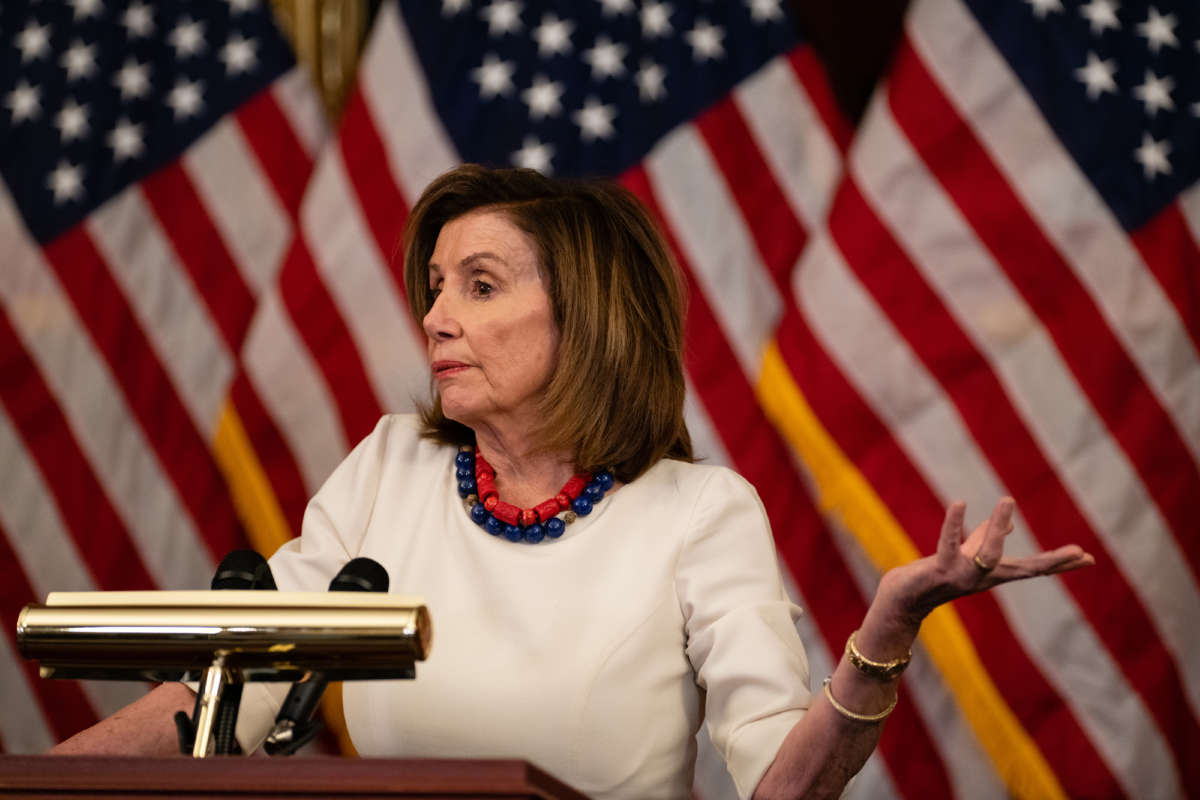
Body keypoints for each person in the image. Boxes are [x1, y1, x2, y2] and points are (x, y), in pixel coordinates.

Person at [51, 165, 1094, 799]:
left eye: (480, 285)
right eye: (434, 288)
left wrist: (884, 635)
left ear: (583, 313)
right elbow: (235, 689)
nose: (434, 316)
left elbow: (783, 783)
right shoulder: (389, 469)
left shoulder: (699, 512)